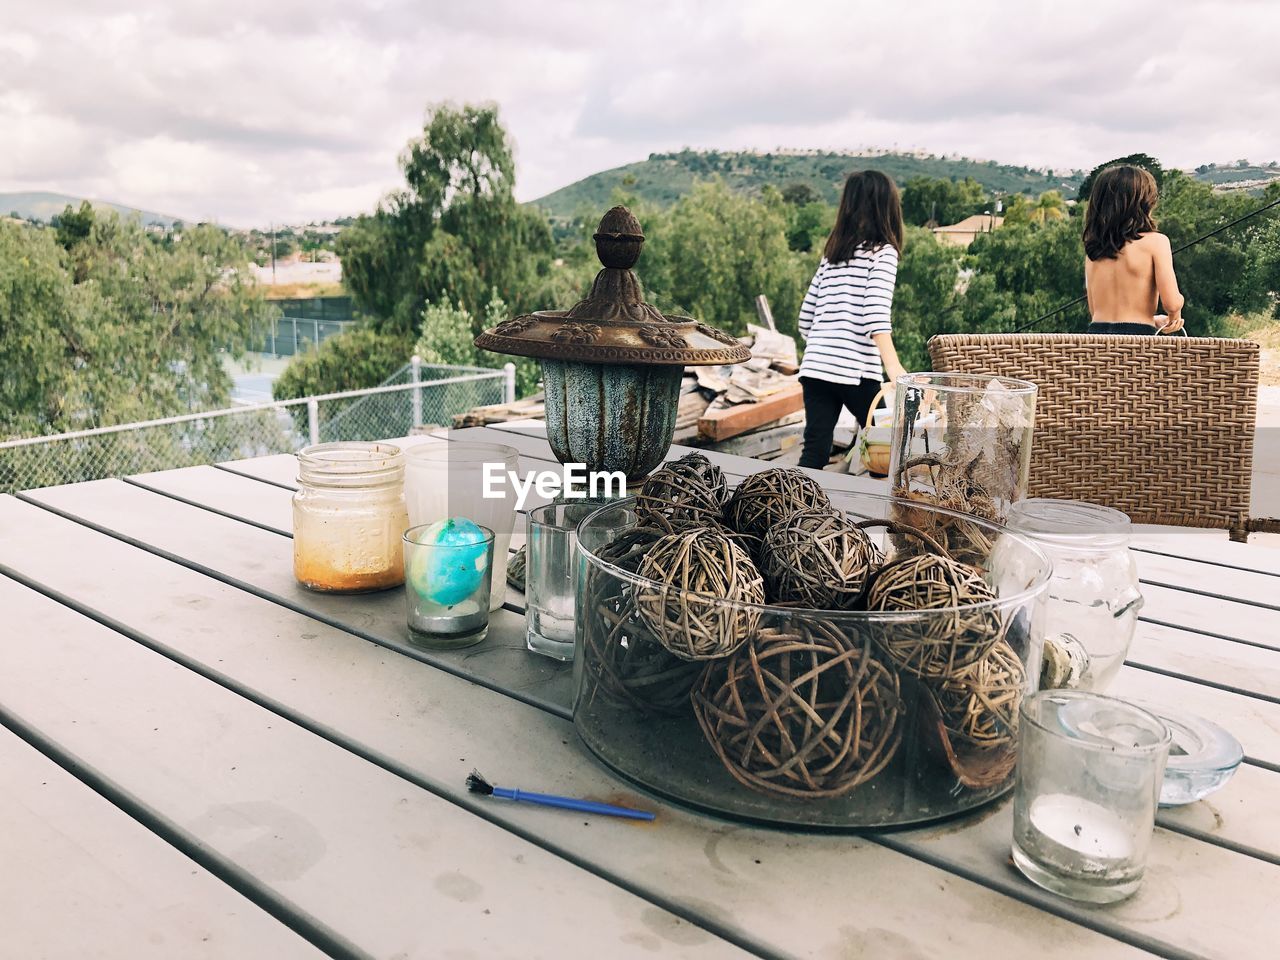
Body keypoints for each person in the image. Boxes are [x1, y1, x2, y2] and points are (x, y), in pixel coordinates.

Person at [796, 170, 907, 470]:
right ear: (888, 208)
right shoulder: (883, 253)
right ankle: (885, 513)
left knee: (814, 450)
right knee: (887, 451)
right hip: (856, 371)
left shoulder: (832, 255)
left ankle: (792, 510)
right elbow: (874, 312)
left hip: (816, 366)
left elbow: (806, 319)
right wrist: (894, 369)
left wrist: (826, 346)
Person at [1082, 164, 1185, 335]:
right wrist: (1174, 314)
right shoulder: (1156, 242)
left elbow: (1096, 312)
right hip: (1137, 338)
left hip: (1096, 336)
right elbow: (1172, 303)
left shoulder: (1093, 250)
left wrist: (1152, 320)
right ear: (1144, 202)